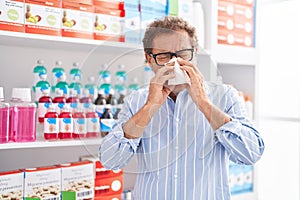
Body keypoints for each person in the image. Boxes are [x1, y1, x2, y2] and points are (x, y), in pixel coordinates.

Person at [99, 16, 264, 200]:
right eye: (164, 56)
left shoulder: (224, 96)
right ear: (149, 59)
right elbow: (110, 160)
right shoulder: (136, 101)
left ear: (194, 53)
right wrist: (149, 107)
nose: (175, 63)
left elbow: (251, 153)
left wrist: (203, 102)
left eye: (182, 54)